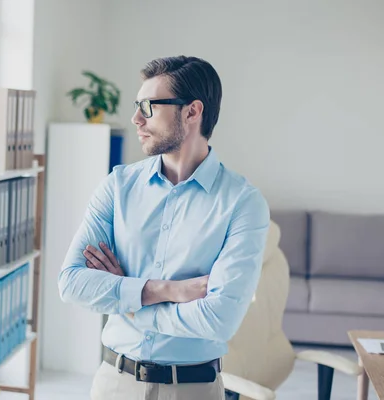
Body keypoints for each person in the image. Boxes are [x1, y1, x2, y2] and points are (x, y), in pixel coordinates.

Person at [57, 55, 270, 400]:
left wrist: (127, 300)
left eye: (148, 106)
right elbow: (71, 283)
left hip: (193, 389)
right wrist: (164, 290)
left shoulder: (243, 203)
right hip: (113, 382)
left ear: (191, 112)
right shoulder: (117, 186)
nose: (135, 118)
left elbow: (220, 319)